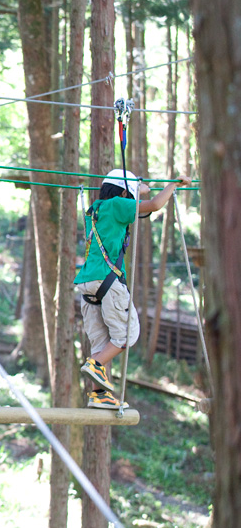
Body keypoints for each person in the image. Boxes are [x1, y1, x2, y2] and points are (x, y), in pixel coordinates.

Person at [75, 169, 191, 409]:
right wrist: (173, 184)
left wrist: (138, 188)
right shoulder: (118, 205)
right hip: (108, 281)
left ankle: (99, 395)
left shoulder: (95, 210)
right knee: (127, 334)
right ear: (125, 192)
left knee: (102, 342)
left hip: (87, 283)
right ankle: (95, 364)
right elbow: (156, 205)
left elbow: (140, 210)